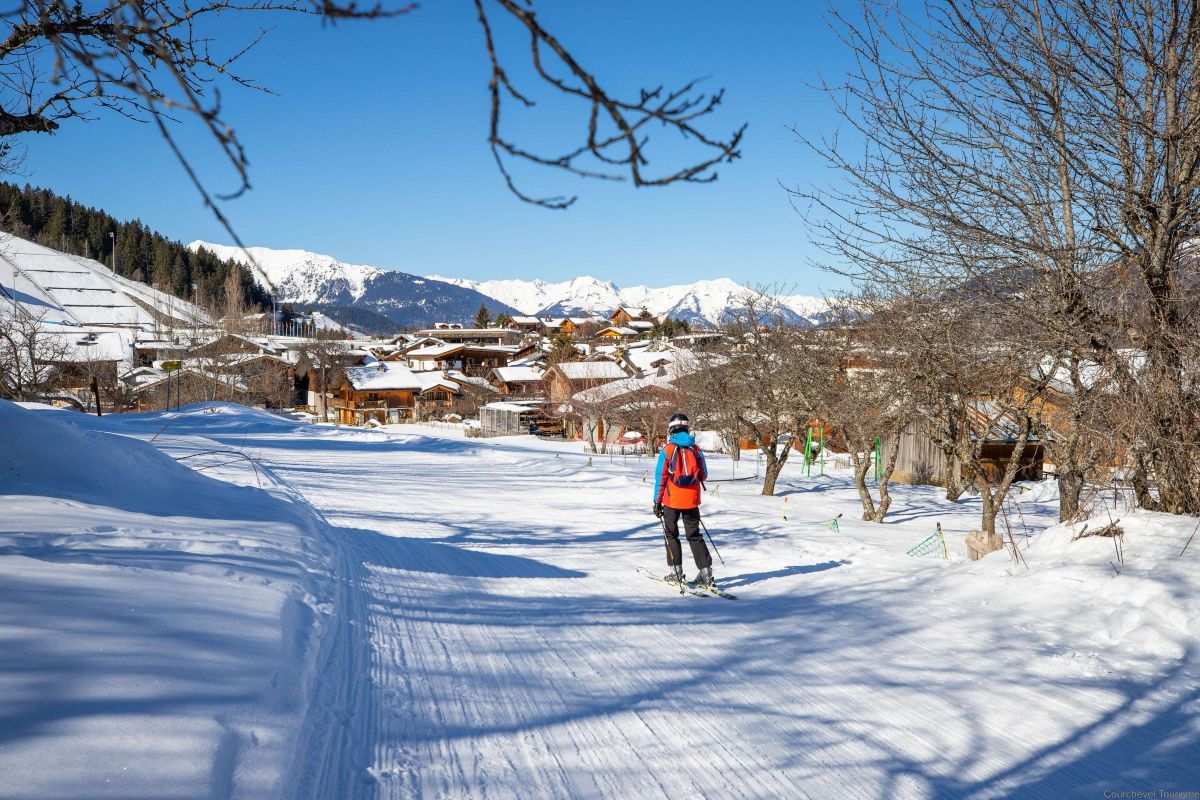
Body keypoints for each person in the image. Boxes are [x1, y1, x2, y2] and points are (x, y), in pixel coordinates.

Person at [652, 412, 714, 587]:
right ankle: (706, 573)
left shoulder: (668, 450)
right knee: (694, 535)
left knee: (671, 534)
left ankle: (675, 573)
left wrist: (657, 501)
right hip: (692, 501)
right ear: (687, 428)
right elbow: (704, 474)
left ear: (671, 429)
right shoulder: (695, 449)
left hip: (671, 500)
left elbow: (661, 477)